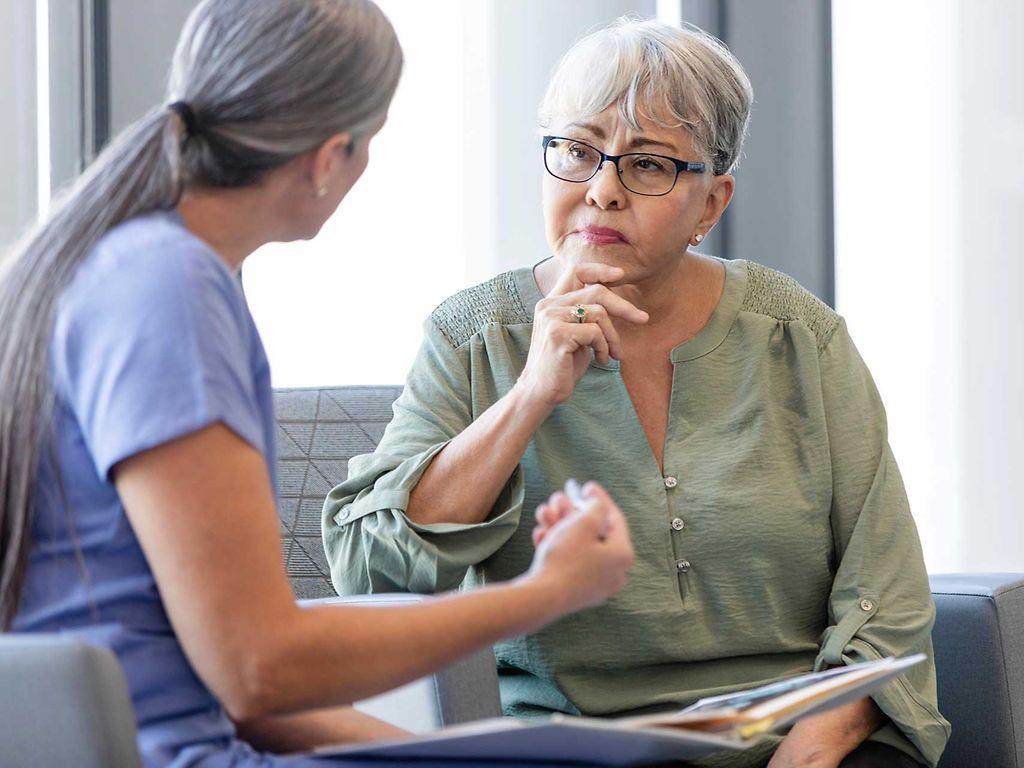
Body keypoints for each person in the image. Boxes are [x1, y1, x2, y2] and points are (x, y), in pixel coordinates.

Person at [0, 1, 635, 766]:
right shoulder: (170, 291)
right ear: (331, 155)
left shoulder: (128, 267)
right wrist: (545, 593)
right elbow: (262, 666)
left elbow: (235, 687)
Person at [323, 18, 950, 768]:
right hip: (578, 751)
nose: (602, 191)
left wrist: (815, 748)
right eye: (578, 152)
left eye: (648, 165)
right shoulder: (471, 337)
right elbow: (369, 573)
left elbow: (888, 590)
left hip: (803, 742)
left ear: (711, 205)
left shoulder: (798, 337)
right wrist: (528, 396)